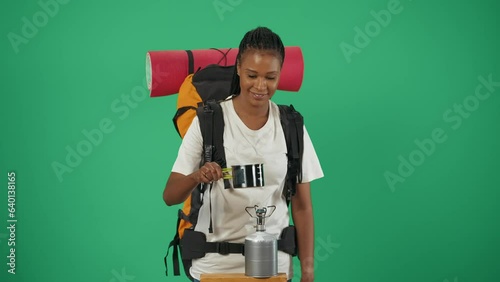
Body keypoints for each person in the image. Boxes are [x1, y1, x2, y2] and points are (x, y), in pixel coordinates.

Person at [163, 27, 323, 282]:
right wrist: (197, 176)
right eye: (252, 75)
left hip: (275, 269)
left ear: (280, 74)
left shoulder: (291, 125)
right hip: (214, 269)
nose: (261, 86)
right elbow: (170, 196)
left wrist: (308, 271)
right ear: (238, 68)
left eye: (270, 77)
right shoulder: (208, 121)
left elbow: (303, 207)